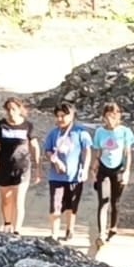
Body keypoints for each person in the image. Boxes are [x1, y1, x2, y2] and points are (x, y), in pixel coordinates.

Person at [41, 101, 92, 241]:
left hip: (75, 176)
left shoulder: (81, 132)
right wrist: (55, 161)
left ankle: (70, 229)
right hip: (56, 176)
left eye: (63, 116)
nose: (60, 119)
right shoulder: (53, 133)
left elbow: (87, 151)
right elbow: (47, 151)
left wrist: (85, 169)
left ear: (72, 115)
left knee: (71, 205)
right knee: (55, 204)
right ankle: (54, 233)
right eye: (58, 116)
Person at [0, 97, 40, 234]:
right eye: (8, 109)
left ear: (19, 110)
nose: (11, 112)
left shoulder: (28, 126)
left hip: (22, 167)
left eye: (14, 109)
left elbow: (34, 146)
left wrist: (37, 167)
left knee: (19, 200)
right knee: (6, 199)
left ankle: (17, 230)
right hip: (4, 166)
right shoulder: (0, 125)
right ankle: (7, 223)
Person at [91, 102, 134, 243]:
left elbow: (128, 153)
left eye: (114, 115)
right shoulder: (100, 132)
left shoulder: (125, 132)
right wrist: (95, 163)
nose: (111, 118)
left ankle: (113, 226)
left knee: (115, 201)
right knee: (103, 201)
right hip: (104, 168)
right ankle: (101, 234)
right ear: (104, 117)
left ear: (119, 116)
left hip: (118, 169)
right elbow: (98, 150)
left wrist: (127, 171)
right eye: (108, 115)